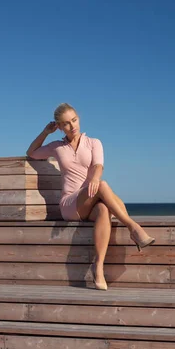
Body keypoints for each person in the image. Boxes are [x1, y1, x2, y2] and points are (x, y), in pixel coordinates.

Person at [26, 103, 155, 290]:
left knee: (103, 208)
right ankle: (133, 228)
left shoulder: (94, 142)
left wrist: (94, 179)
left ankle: (98, 266)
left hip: (91, 198)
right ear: (60, 126)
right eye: (66, 123)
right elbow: (31, 153)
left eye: (74, 120)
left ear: (78, 118)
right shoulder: (56, 147)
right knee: (102, 185)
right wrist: (45, 132)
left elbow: (98, 166)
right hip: (70, 203)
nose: (72, 126)